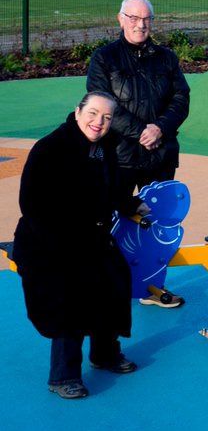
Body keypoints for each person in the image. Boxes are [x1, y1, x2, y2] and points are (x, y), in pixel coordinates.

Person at [13, 92, 147, 399]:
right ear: (77, 112)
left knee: (113, 283)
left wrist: (130, 204)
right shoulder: (51, 148)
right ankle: (63, 376)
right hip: (47, 240)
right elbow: (31, 203)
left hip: (91, 236)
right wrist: (61, 245)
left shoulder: (104, 148)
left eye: (107, 117)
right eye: (93, 114)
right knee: (70, 298)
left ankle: (105, 353)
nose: (98, 122)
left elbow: (109, 190)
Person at [86, 0, 191, 308]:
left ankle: (152, 287)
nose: (140, 24)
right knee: (108, 219)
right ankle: (104, 284)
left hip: (159, 156)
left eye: (146, 19)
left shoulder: (167, 58)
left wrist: (159, 127)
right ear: (121, 19)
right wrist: (141, 131)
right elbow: (101, 102)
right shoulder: (105, 58)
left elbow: (181, 99)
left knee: (156, 224)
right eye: (133, 18)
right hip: (119, 157)